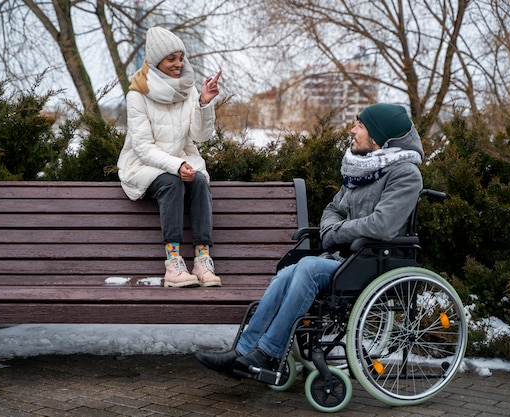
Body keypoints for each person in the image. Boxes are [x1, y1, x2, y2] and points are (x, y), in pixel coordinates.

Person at [196, 103, 424, 377]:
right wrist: (333, 229)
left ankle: (268, 355)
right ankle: (243, 351)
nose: (352, 130)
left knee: (308, 268)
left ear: (379, 137)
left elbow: (382, 225)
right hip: (348, 259)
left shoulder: (406, 174)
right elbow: (333, 209)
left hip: (375, 262)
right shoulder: (364, 169)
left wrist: (337, 232)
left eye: (361, 126)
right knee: (287, 272)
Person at [117, 26, 222, 288]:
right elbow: (142, 147)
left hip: (182, 161)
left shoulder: (188, 89)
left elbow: (200, 136)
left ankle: (202, 259)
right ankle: (173, 263)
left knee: (199, 181)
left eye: (180, 57)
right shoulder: (138, 93)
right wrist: (177, 166)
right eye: (171, 59)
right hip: (144, 165)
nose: (178, 64)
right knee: (172, 182)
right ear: (156, 62)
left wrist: (204, 104)